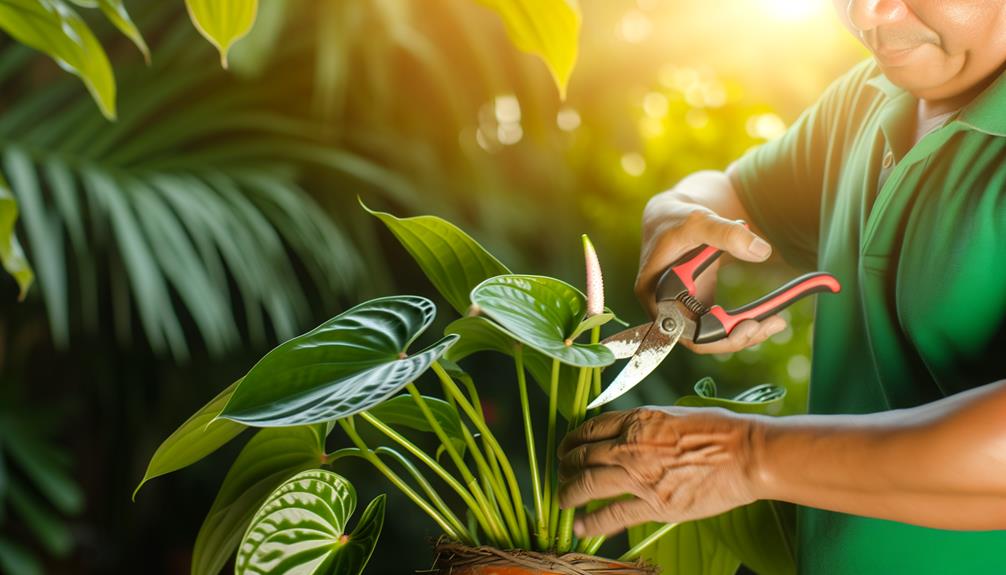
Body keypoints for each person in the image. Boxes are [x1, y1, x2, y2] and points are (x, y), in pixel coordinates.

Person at [556, 1, 1006, 572]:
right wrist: (675, 216)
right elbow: (731, 192)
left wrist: (748, 455)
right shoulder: (869, 95)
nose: (867, 14)